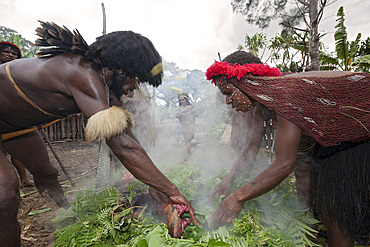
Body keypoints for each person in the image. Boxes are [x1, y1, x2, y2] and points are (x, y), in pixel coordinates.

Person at [0, 21, 198, 246]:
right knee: (5, 194)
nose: (134, 88)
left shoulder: (106, 87)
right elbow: (122, 146)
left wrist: (155, 183)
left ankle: (67, 222)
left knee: (46, 174)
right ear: (120, 69)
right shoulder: (80, 71)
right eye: (135, 78)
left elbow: (128, 138)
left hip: (15, 125)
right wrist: (173, 190)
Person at [205, 52, 369, 246]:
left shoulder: (284, 95)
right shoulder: (260, 106)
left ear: (246, 83)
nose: (228, 102)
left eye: (229, 93)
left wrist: (237, 198)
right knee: (332, 206)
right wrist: (228, 180)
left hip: (355, 136)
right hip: (339, 141)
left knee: (337, 211)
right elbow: (251, 147)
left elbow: (283, 164)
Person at [0, 41, 35, 187]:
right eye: (6, 52)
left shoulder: (18, 73)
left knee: (17, 150)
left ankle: (24, 179)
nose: (10, 55)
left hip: (14, 117)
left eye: (14, 53)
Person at [175, 92, 199, 160]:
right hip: (184, 126)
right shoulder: (180, 108)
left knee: (188, 140)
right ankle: (188, 153)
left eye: (183, 99)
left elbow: (196, 115)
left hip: (190, 125)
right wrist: (183, 112)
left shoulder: (191, 107)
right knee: (187, 141)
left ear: (186, 100)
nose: (182, 101)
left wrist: (197, 106)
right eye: (181, 100)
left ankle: (187, 155)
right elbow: (177, 115)